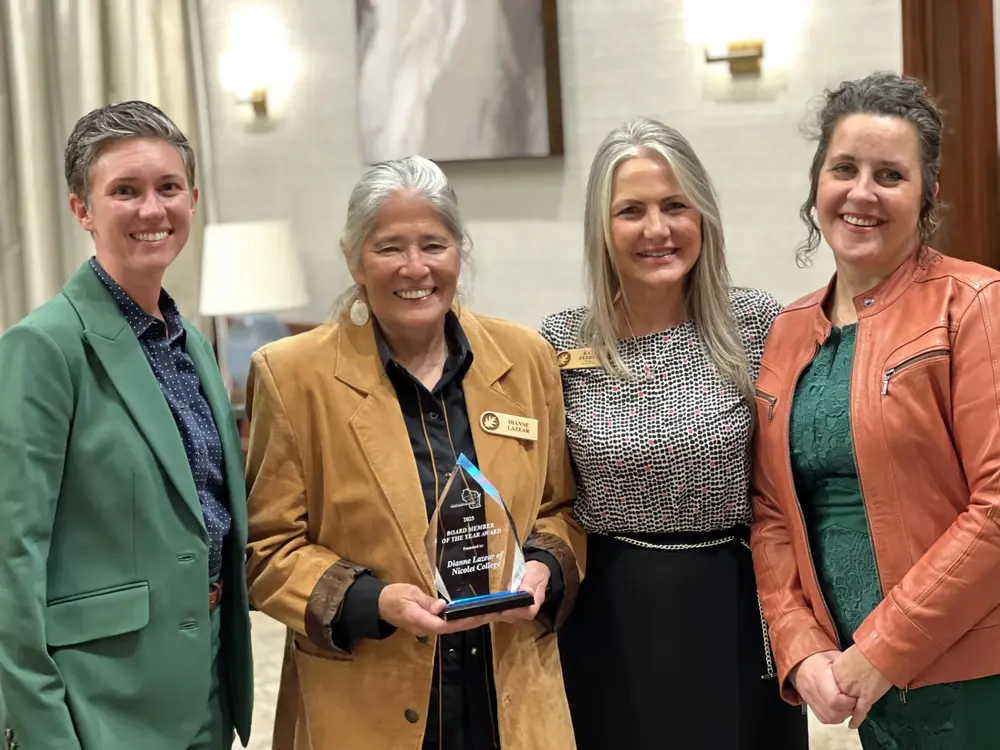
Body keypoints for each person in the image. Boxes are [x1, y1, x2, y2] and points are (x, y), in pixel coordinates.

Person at [243, 155, 584, 749]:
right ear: (353, 259)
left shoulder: (526, 358)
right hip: (366, 706)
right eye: (389, 248)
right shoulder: (292, 376)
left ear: (460, 250)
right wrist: (374, 601)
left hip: (511, 696)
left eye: (434, 244)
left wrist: (544, 569)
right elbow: (268, 549)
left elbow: (561, 508)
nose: (415, 268)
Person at [749, 71, 1000, 749]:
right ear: (817, 182)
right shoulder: (786, 331)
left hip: (971, 676)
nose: (862, 192)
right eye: (844, 169)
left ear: (927, 194)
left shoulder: (975, 303)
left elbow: (997, 506)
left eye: (890, 175)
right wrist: (800, 647)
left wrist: (883, 650)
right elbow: (771, 513)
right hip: (854, 685)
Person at [540, 117, 807, 749]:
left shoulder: (758, 324)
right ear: (601, 228)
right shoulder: (560, 341)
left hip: (736, 603)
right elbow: (544, 498)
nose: (656, 229)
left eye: (674, 205)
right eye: (631, 210)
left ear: (703, 215)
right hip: (608, 612)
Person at [0, 100, 254, 750]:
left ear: (193, 199)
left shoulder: (192, 345)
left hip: (204, 688)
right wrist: (43, 730)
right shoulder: (43, 347)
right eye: (125, 191)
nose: (152, 209)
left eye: (168, 187)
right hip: (98, 702)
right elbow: (11, 558)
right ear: (81, 209)